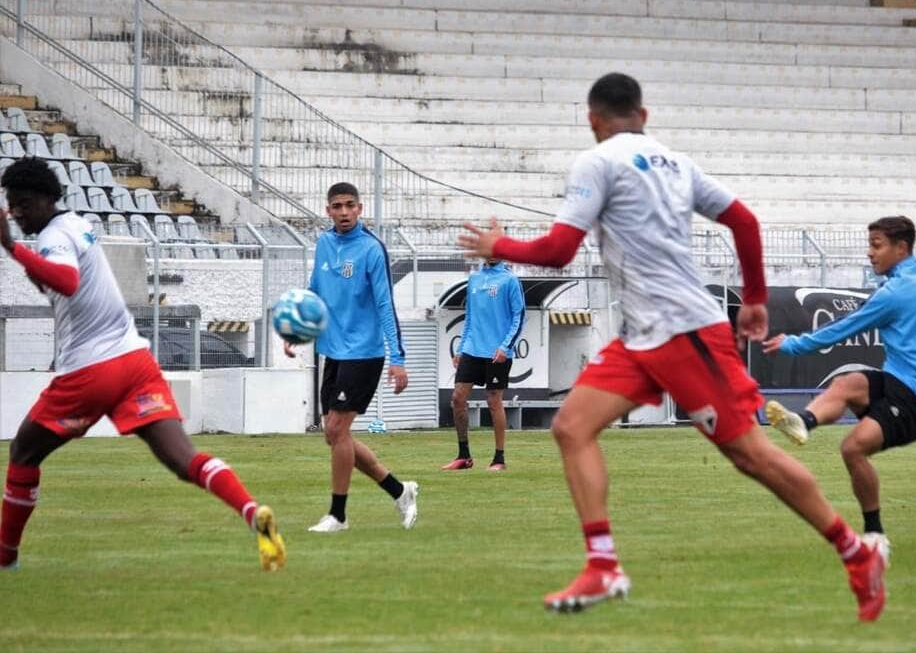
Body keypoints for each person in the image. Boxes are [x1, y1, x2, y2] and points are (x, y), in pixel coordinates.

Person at [459, 72, 889, 622]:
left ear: (593, 121)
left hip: (687, 334)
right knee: (571, 426)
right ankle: (603, 565)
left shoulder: (598, 161)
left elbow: (560, 251)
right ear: (644, 115)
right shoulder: (675, 162)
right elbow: (743, 219)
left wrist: (500, 245)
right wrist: (753, 297)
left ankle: (857, 553)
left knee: (752, 457)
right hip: (643, 338)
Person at [0, 157, 285, 572]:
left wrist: (10, 247)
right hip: (134, 362)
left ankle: (5, 557)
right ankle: (252, 513)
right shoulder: (75, 225)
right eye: (12, 203)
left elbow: (65, 280)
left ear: (46, 198)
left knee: (23, 452)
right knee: (183, 459)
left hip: (91, 371)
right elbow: (54, 282)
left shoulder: (53, 240)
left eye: (23, 202)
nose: (18, 211)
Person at [763, 216, 916, 547]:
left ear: (901, 248)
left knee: (852, 449)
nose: (870, 253)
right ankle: (803, 421)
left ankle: (875, 533)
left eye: (876, 246)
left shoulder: (894, 293)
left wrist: (791, 345)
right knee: (846, 384)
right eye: (870, 245)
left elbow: (842, 329)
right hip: (897, 381)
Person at [286, 181, 418, 533]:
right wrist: (295, 332)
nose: (343, 212)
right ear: (327, 210)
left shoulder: (372, 249)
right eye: (337, 206)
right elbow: (315, 293)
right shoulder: (325, 244)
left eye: (349, 205)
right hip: (333, 351)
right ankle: (399, 490)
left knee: (336, 428)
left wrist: (398, 357)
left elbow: (385, 305)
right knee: (334, 435)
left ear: (360, 209)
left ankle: (338, 516)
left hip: (365, 352)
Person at [442, 256, 525, 471]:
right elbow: (470, 316)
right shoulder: (475, 279)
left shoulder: (510, 280)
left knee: (493, 401)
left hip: (498, 350)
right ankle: (464, 456)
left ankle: (499, 459)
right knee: (458, 397)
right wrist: (461, 349)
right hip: (472, 348)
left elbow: (519, 315)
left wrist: (505, 347)